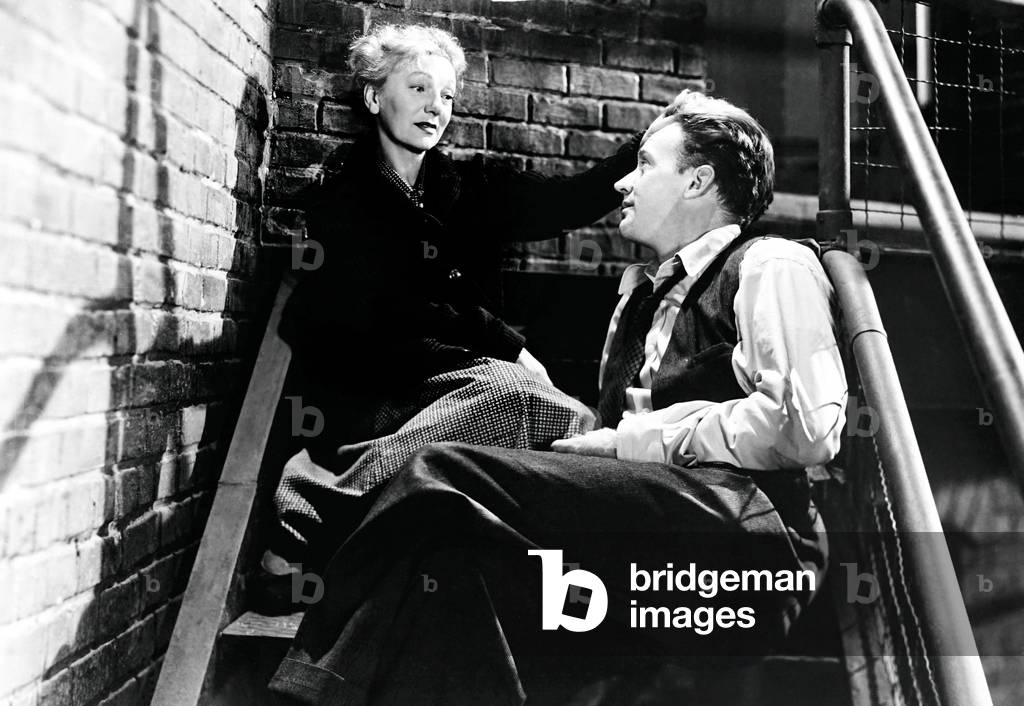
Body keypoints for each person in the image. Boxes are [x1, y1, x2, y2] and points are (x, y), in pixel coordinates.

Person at [269, 91, 848, 704]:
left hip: (750, 551)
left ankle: (306, 688)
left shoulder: (771, 264)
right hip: (645, 561)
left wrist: (635, 440)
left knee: (440, 470)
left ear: (698, 181)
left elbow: (808, 428)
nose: (625, 181)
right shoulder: (638, 300)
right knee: (453, 569)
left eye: (646, 164)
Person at [265, 23, 646, 583]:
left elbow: (569, 201)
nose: (434, 107)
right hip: (374, 390)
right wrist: (505, 347)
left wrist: (646, 143)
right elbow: (391, 309)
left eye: (446, 95)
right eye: (418, 88)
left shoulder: (469, 186)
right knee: (524, 396)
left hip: (456, 385)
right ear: (374, 97)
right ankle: (310, 507)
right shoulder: (341, 196)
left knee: (566, 415)